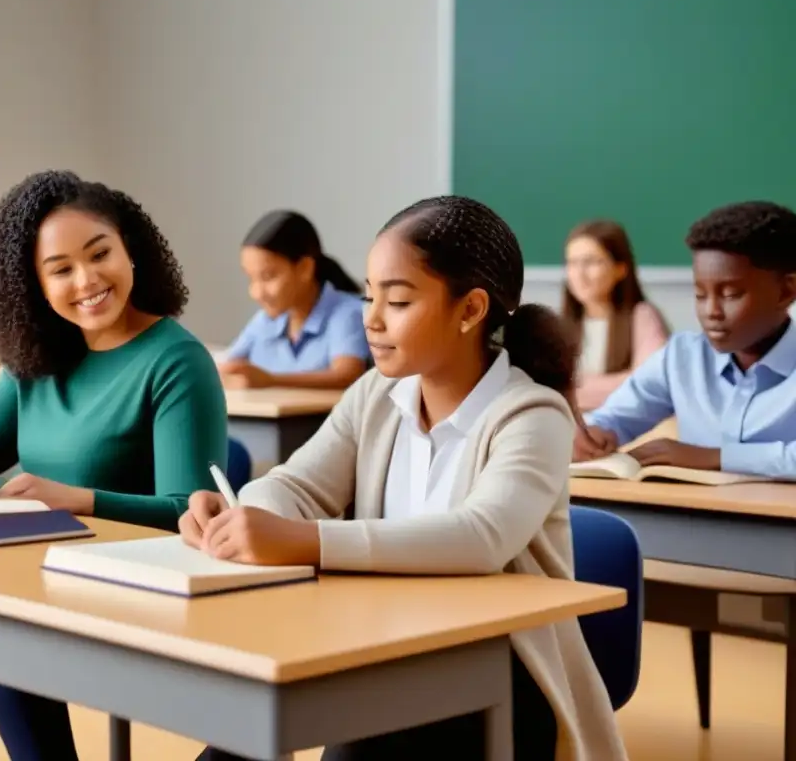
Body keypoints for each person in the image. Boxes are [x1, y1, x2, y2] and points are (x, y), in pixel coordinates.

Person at [184, 196, 627, 760]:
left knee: (357, 740)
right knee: (241, 734)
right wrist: (247, 514)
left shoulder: (532, 415)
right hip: (382, 649)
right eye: (371, 296)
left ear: (469, 310)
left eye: (397, 300)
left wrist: (302, 539)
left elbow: (480, 537)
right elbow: (296, 484)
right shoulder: (375, 395)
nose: (371, 318)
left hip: (497, 678)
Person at [0, 170, 228, 761]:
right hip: (46, 589)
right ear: (35, 285)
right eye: (61, 269)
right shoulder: (34, 362)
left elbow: (189, 518)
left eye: (100, 255)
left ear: (131, 252)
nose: (87, 280)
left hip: (147, 600)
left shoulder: (176, 361)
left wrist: (78, 499)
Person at [574, 201, 796, 479]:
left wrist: (717, 457)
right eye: (700, 294)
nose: (711, 312)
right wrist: (596, 433)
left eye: (730, 294)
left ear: (786, 291)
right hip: (690, 517)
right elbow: (614, 417)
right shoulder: (682, 357)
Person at [219, 210, 370, 389]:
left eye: (268, 277)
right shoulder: (264, 321)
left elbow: (347, 375)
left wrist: (271, 380)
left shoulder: (346, 312)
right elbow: (228, 367)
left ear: (305, 268)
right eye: (251, 278)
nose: (257, 293)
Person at [562, 220, 669, 410]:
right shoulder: (559, 325)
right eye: (572, 263)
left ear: (620, 269)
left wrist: (572, 389)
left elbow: (648, 384)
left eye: (591, 262)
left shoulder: (643, 317)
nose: (579, 274)